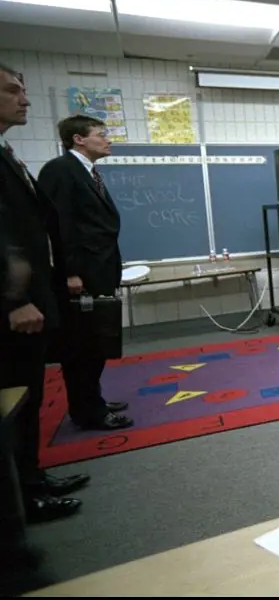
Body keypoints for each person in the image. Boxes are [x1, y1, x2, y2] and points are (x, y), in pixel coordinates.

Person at [0, 62, 87, 522]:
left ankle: (32, 479)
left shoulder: (7, 153)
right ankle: (21, 498)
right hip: (14, 307)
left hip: (33, 298)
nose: (25, 99)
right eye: (14, 90)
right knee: (14, 401)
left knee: (30, 396)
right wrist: (13, 298)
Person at [37, 115, 133, 431]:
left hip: (99, 269)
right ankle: (88, 412)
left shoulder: (88, 172)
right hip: (80, 276)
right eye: (100, 134)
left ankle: (93, 400)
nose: (108, 139)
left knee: (96, 343)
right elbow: (58, 226)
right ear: (79, 139)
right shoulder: (60, 170)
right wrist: (70, 273)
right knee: (81, 346)